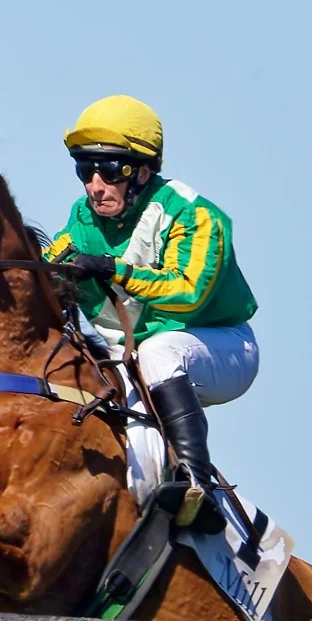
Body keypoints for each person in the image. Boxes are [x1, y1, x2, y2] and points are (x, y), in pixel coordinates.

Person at [44, 94, 259, 532]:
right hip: (134, 361)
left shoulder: (195, 214)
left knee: (160, 352)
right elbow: (53, 266)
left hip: (223, 347)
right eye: (85, 170)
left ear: (142, 171)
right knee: (130, 452)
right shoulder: (82, 218)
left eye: (109, 171)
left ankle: (200, 486)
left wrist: (112, 268)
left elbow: (188, 293)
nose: (95, 186)